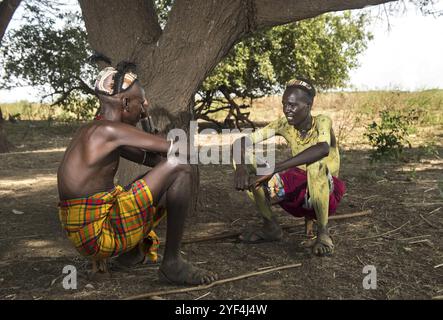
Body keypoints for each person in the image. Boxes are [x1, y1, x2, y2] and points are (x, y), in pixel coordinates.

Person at [57, 61, 217, 285]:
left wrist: (151, 133)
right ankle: (172, 264)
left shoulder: (98, 130)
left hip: (88, 233)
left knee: (162, 180)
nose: (144, 109)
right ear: (124, 103)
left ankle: (131, 253)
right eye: (141, 103)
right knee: (181, 166)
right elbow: (180, 152)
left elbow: (156, 162)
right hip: (96, 237)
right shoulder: (110, 131)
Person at [233, 78, 346, 256]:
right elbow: (241, 142)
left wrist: (276, 168)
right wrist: (241, 167)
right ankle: (271, 226)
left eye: (293, 105)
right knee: (245, 159)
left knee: (315, 165)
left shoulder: (322, 122)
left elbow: (322, 149)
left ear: (308, 105)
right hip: (295, 189)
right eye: (284, 104)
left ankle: (323, 233)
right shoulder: (284, 124)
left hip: (325, 192)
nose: (287, 109)